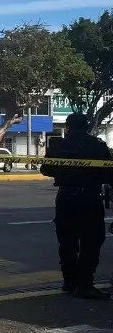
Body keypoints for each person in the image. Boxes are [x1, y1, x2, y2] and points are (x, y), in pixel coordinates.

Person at [40, 112, 111, 300]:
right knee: (91, 243)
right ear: (87, 126)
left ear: (68, 126)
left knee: (67, 243)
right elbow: (109, 175)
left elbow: (45, 170)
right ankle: (84, 284)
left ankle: (69, 282)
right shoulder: (97, 146)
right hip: (89, 199)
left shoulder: (57, 145)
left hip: (65, 198)